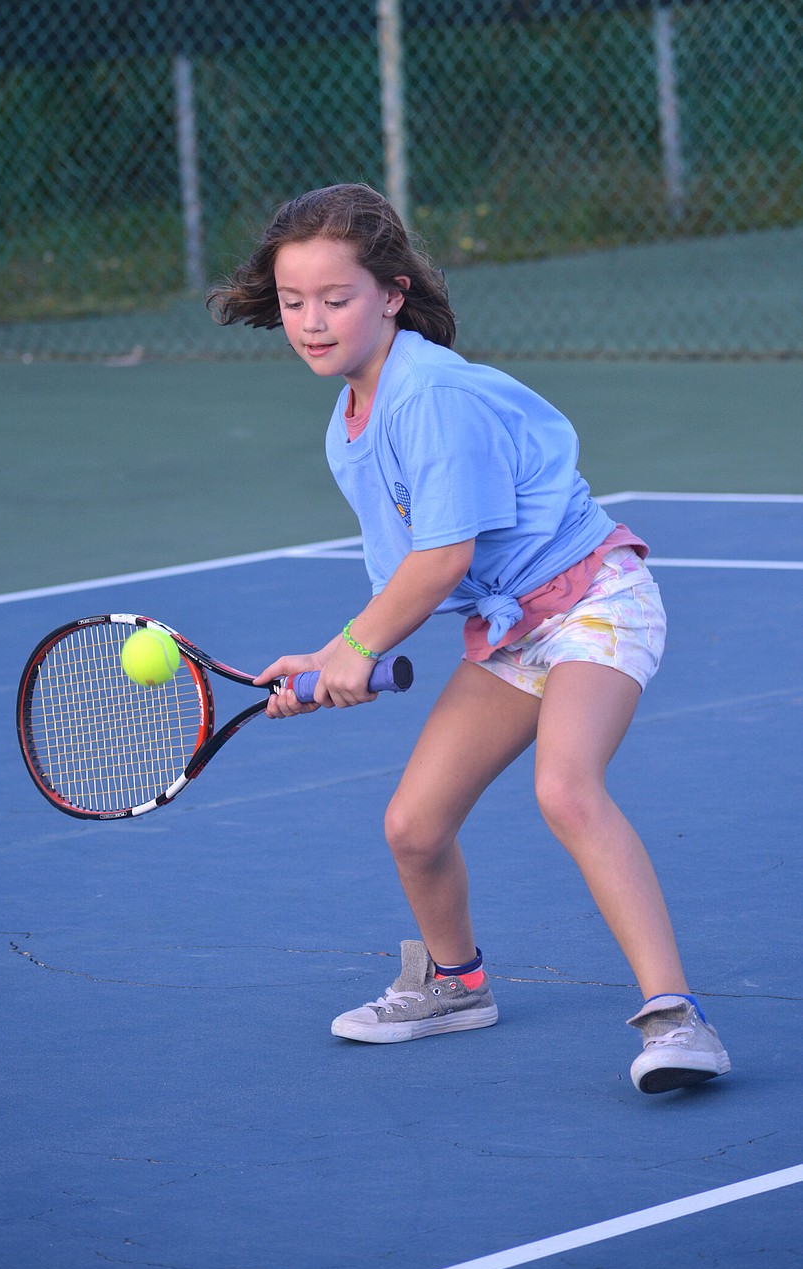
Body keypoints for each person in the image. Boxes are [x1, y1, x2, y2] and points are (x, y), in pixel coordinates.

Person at [208, 183, 731, 1095]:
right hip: (512, 629)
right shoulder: (350, 426)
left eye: (337, 299)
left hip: (596, 598)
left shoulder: (431, 395)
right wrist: (338, 660)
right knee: (413, 825)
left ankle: (676, 1017)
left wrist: (354, 647)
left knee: (566, 787)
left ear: (393, 294)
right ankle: (455, 986)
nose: (313, 322)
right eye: (294, 303)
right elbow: (402, 587)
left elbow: (444, 559)